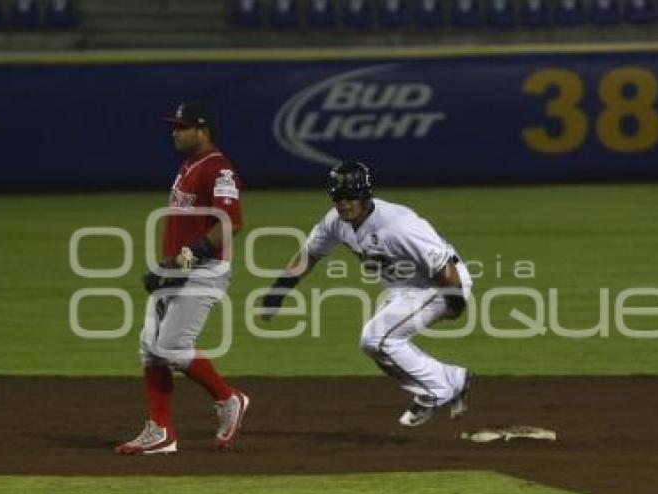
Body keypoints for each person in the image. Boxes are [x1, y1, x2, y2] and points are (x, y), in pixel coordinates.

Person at [261, 160, 473, 427]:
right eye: (338, 198)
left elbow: (445, 268)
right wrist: (278, 291)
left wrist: (455, 305)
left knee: (377, 338)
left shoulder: (400, 225)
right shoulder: (335, 222)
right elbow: (309, 255)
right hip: (405, 289)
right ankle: (446, 381)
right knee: (373, 343)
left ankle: (440, 388)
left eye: (350, 197)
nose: (343, 204)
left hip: (440, 284)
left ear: (365, 195)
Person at [116, 101, 248, 454]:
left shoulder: (218, 170)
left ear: (202, 130)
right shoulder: (188, 165)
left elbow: (231, 222)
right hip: (179, 269)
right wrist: (167, 265)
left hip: (205, 269)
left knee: (172, 345)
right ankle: (161, 431)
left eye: (182, 126)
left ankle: (228, 399)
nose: (174, 132)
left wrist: (190, 255)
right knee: (150, 347)